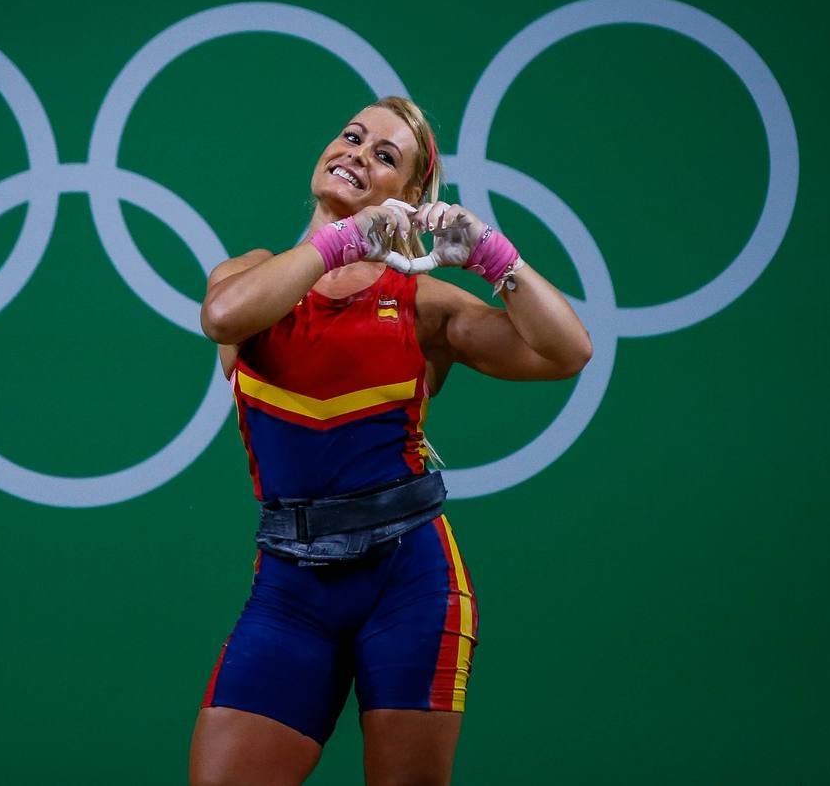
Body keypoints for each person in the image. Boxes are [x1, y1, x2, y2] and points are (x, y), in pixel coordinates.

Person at [190, 97, 592, 786]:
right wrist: (337, 244)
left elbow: (567, 352)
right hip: (291, 587)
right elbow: (221, 316)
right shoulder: (249, 274)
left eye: (385, 156)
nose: (355, 152)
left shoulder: (426, 307)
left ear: (409, 196)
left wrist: (496, 258)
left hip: (409, 584)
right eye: (350, 136)